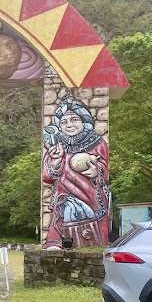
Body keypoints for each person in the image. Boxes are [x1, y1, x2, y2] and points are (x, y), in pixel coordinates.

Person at [42, 95, 111, 249]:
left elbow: (104, 170)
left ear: (84, 121)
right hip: (63, 194)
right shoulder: (56, 144)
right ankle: (56, 243)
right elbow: (47, 176)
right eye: (64, 121)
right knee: (61, 216)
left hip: (91, 196)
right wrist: (56, 160)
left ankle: (92, 245)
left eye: (74, 119)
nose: (69, 125)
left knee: (93, 230)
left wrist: (96, 171)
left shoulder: (97, 142)